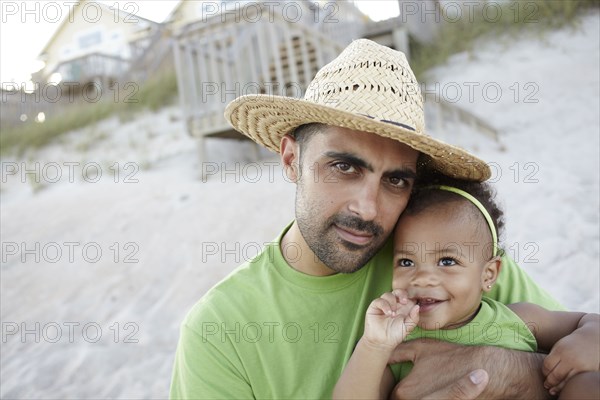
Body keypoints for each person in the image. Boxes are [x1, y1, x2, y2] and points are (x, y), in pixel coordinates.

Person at [170, 39, 566, 399]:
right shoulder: (219, 330)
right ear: (292, 159)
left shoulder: (444, 248)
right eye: (344, 167)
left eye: (395, 180)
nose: (368, 209)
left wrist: (510, 371)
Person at [333, 178, 600, 399]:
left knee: (587, 385)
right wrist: (373, 345)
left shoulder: (520, 318)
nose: (423, 278)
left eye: (447, 261)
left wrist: (590, 338)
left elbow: (585, 320)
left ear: (488, 274)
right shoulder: (399, 346)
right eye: (406, 261)